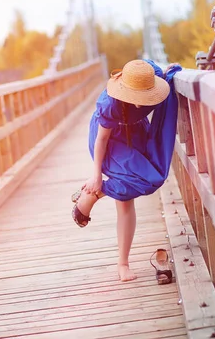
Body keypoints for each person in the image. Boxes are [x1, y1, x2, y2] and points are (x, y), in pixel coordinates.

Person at [71, 58, 181, 283]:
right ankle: (123, 264)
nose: (140, 105)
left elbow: (161, 78)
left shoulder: (153, 78)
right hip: (110, 142)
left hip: (136, 133)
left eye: (145, 97)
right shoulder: (110, 103)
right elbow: (101, 140)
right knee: (126, 200)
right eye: (136, 98)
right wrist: (97, 174)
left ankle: (95, 193)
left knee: (153, 178)